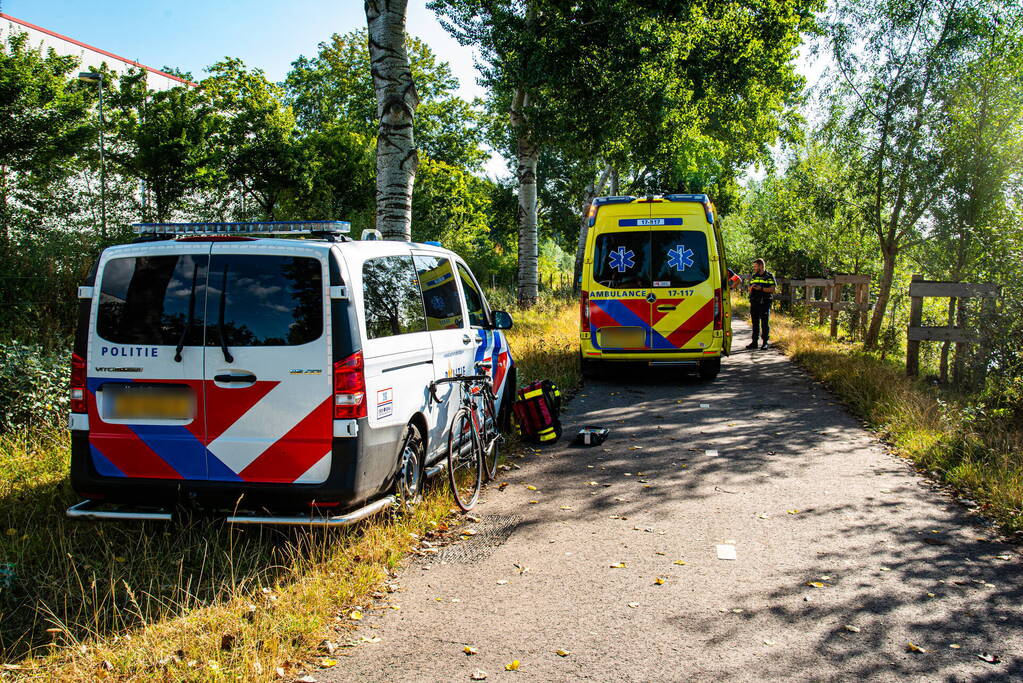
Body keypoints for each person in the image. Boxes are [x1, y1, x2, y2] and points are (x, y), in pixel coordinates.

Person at [746, 258, 776, 350]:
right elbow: (749, 288)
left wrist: (761, 289)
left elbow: (773, 289)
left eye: (755, 266)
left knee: (764, 323)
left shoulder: (769, 276)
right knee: (755, 323)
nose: (754, 268)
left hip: (765, 302)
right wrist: (751, 288)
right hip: (754, 302)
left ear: (761, 266)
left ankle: (765, 343)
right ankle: (754, 342)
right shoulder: (754, 276)